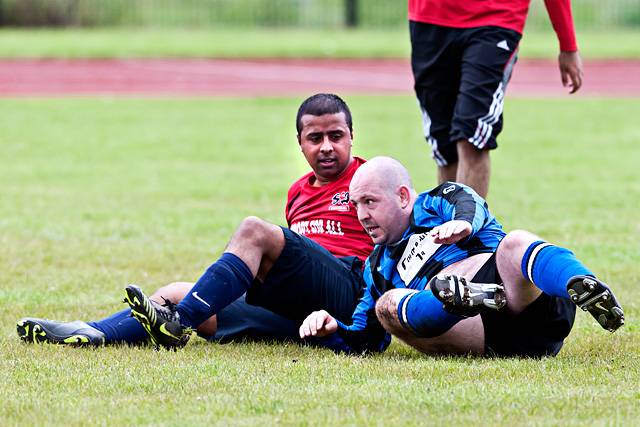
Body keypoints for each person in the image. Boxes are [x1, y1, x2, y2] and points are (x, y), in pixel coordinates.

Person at [17, 93, 373, 348]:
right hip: (300, 311)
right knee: (175, 292)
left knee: (253, 230)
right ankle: (92, 331)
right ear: (300, 143)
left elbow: (399, 240)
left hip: (345, 294)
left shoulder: (368, 178)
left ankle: (178, 324)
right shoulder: (297, 192)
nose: (326, 146)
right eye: (315, 138)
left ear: (352, 137)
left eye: (336, 136)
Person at [299, 157, 624, 357]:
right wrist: (332, 331)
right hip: (485, 336)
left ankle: (580, 284)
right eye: (355, 205)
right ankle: (456, 300)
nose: (362, 215)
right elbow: (365, 339)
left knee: (515, 242)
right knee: (388, 304)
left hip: (524, 301)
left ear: (401, 196)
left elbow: (471, 205)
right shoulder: (376, 267)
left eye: (369, 201)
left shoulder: (439, 200)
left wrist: (463, 224)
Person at [408, 0, 584, 198]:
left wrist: (568, 43)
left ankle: (468, 226)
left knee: (473, 134)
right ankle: (447, 225)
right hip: (429, 19)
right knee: (444, 147)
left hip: (495, 18)